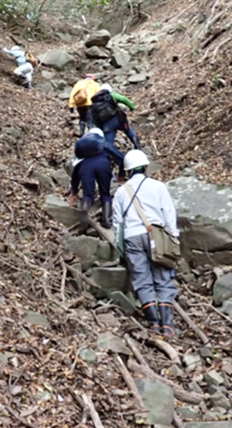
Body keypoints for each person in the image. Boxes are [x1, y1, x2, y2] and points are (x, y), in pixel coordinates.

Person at [112, 150, 179, 337]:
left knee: (142, 280)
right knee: (163, 277)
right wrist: (173, 237)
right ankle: (168, 325)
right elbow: (168, 213)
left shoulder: (120, 192)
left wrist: (121, 248)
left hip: (131, 237)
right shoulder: (158, 186)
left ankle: (153, 323)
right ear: (146, 167)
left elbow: (117, 224)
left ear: (127, 171)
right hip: (156, 234)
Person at [89, 83, 139, 179]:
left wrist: (101, 129)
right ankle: (138, 148)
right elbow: (124, 99)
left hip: (107, 126)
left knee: (108, 145)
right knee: (129, 131)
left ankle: (118, 160)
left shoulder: (94, 103)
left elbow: (95, 119)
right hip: (119, 120)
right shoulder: (111, 95)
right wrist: (132, 107)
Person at [67, 128, 113, 228]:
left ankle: (85, 211)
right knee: (105, 194)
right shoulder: (104, 145)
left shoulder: (83, 151)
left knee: (88, 194)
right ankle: (107, 221)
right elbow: (120, 157)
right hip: (103, 165)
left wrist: (74, 190)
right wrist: (122, 172)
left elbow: (75, 173)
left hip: (85, 167)